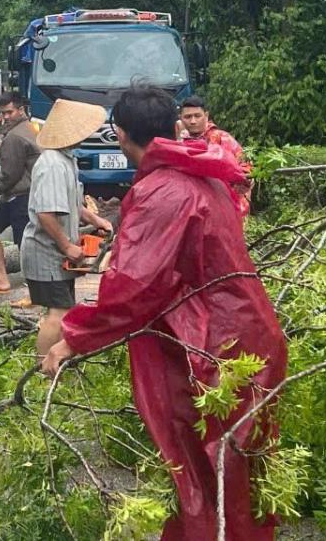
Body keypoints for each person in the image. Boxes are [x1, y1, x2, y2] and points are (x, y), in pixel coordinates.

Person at [43, 85, 287, 540]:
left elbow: (134, 289)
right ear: (175, 127)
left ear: (120, 135)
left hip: (211, 349)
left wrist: (72, 337)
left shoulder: (161, 191)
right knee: (238, 472)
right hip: (250, 336)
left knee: (205, 472)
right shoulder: (203, 174)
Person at [20, 98, 111, 361]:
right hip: (45, 252)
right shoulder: (52, 164)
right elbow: (45, 213)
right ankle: (42, 370)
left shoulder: (67, 159)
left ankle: (57, 363)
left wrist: (96, 220)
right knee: (58, 314)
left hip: (56, 254)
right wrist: (67, 246)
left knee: (65, 311)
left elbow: (71, 203)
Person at [0, 92, 40, 294]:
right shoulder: (30, 128)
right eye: (3, 113)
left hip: (22, 197)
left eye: (9, 112)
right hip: (15, 195)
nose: (5, 117)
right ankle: (2, 279)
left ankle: (36, 293)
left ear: (21, 110)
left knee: (25, 247)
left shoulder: (15, 137)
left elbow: (9, 175)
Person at [179, 95, 252, 217]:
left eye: (197, 116)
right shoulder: (179, 144)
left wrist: (237, 183)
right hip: (195, 211)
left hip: (228, 209)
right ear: (180, 118)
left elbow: (247, 167)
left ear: (206, 115)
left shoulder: (223, 138)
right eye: (188, 117)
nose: (193, 121)